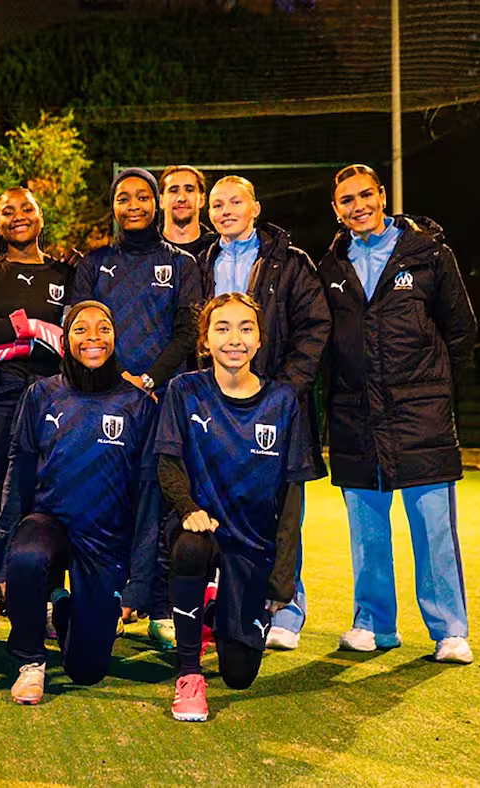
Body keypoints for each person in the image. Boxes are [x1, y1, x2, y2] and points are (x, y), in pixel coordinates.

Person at [317, 163, 477, 664]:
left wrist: (438, 393)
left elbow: (461, 330)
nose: (357, 205)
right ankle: (373, 624)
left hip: (419, 413)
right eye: (347, 200)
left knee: (433, 527)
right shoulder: (331, 266)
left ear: (383, 196)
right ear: (336, 210)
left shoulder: (430, 254)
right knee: (367, 529)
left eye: (365, 195)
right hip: (354, 415)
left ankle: (449, 630)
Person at [156, 293, 311, 722]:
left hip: (252, 543)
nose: (234, 339)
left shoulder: (283, 401)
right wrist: (187, 507)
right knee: (189, 549)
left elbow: (291, 496)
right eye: (222, 328)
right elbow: (167, 463)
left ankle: (213, 609)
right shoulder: (184, 390)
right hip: (202, 530)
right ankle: (189, 675)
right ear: (205, 339)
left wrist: (284, 577)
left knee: (240, 673)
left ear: (260, 340)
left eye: (246, 328)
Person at [0, 300, 158, 704]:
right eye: (80, 330)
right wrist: (4, 556)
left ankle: (65, 609)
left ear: (115, 337)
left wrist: (138, 581)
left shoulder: (137, 404)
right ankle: (31, 661)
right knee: (28, 556)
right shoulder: (41, 394)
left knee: (86, 671)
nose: (92, 338)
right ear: (65, 341)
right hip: (49, 521)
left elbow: (147, 495)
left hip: (104, 537)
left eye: (102, 329)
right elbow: (18, 475)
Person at [199, 175, 330, 651]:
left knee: (283, 510)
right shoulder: (202, 262)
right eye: (217, 204)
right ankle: (230, 607)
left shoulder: (292, 263)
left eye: (236, 201)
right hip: (219, 409)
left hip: (274, 405)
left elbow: (316, 326)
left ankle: (287, 607)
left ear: (255, 207)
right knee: (222, 507)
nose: (226, 209)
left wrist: (285, 390)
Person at [72, 167, 201, 639]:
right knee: (109, 501)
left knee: (164, 502)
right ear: (114, 206)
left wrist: (147, 378)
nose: (134, 205)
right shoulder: (93, 263)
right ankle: (107, 598)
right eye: (124, 197)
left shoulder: (183, 265)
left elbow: (188, 332)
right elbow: (81, 330)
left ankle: (162, 608)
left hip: (163, 400)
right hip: (104, 403)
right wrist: (116, 381)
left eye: (143, 197)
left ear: (156, 203)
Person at [0, 187, 76, 638]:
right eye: (7, 211)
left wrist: (9, 340)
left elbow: (69, 338)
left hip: (52, 398)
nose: (17, 217)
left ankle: (46, 598)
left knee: (48, 499)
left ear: (41, 215)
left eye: (26, 207)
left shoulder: (64, 272)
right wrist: (30, 329)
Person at [159, 165, 218, 259]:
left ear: (202, 199)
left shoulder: (218, 249)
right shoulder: (146, 248)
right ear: (161, 201)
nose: (181, 198)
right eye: (174, 191)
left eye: (189, 190)